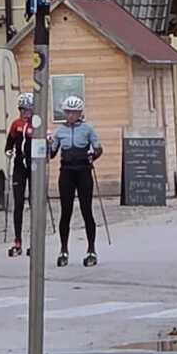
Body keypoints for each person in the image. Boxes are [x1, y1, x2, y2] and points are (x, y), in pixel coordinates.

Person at [49, 94, 102, 267]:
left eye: (75, 112)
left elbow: (98, 149)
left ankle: (91, 249)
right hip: (66, 172)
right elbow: (52, 153)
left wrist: (92, 155)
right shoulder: (60, 131)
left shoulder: (87, 129)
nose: (71, 115)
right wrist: (47, 144)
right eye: (68, 112)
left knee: (87, 210)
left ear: (80, 113)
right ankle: (63, 249)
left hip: (83, 171)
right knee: (66, 212)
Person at [4, 92, 35, 257]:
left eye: (27, 110)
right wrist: (8, 151)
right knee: (18, 203)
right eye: (22, 110)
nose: (24, 113)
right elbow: (9, 143)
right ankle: (17, 240)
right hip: (19, 167)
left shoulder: (36, 124)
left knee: (34, 203)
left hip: (33, 166)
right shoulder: (16, 124)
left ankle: (34, 240)